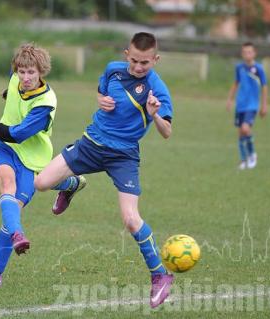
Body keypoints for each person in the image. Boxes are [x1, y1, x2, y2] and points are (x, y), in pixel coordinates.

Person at [34, 32, 174, 308]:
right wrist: (101, 100)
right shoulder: (113, 70)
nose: (137, 67)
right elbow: (101, 90)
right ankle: (72, 185)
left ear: (155, 60)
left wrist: (155, 113)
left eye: (145, 63)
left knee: (131, 219)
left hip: (123, 156)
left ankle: (160, 275)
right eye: (134, 60)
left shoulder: (158, 90)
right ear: (126, 55)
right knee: (41, 183)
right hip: (91, 144)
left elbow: (167, 132)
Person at [0, 43, 57, 287]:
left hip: (29, 156)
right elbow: (15, 91)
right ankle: (18, 234)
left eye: (31, 73)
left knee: (13, 209)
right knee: (7, 183)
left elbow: (15, 134)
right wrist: (8, 92)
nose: (25, 78)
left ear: (41, 72)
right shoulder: (16, 78)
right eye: (21, 72)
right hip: (3, 148)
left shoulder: (45, 105)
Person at [226, 42, 268, 170]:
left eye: (249, 52)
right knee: (240, 133)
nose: (247, 54)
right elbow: (236, 83)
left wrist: (264, 105)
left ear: (254, 53)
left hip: (252, 105)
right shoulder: (239, 68)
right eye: (244, 52)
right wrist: (230, 99)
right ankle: (243, 160)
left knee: (245, 129)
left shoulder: (258, 69)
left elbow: (264, 87)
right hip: (240, 104)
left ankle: (252, 154)